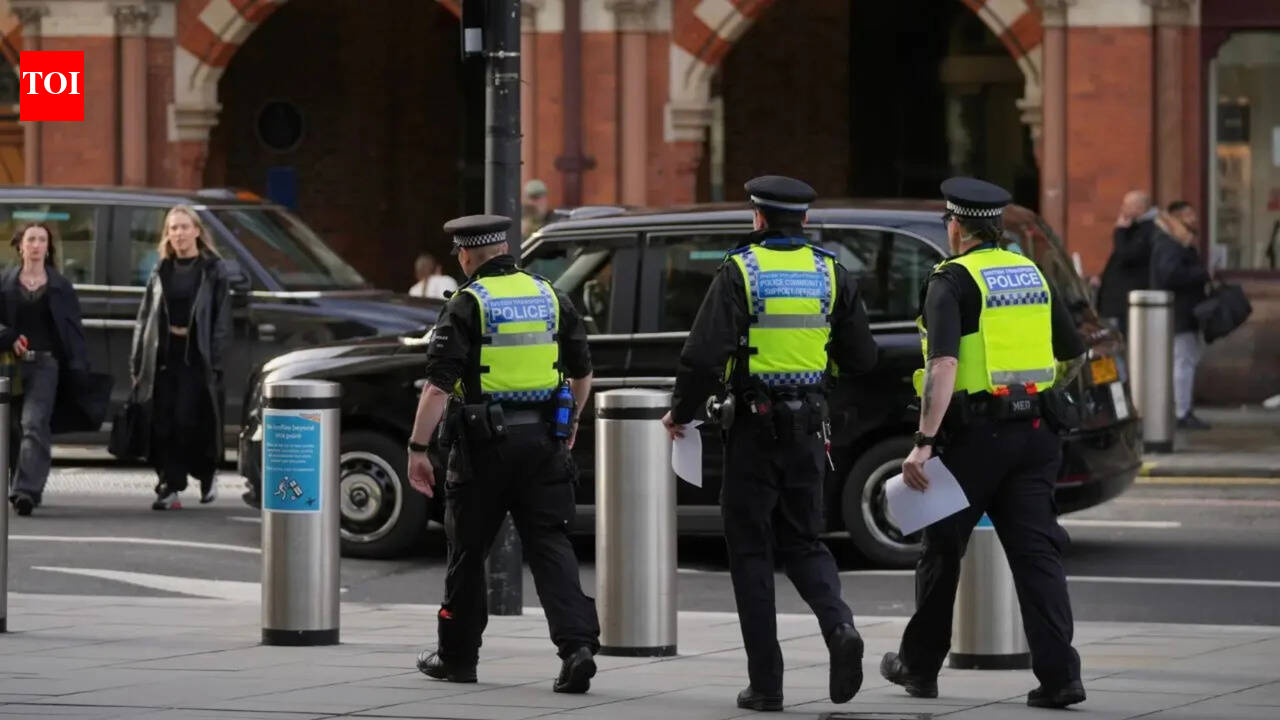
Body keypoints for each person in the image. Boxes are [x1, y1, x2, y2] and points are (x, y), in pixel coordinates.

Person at [660, 176, 878, 712]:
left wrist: (680, 413)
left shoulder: (741, 271)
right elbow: (864, 359)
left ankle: (767, 684)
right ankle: (839, 625)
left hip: (754, 430)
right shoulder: (831, 273)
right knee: (805, 542)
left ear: (758, 218)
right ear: (802, 220)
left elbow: (703, 355)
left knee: (752, 551)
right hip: (809, 430)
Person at [879, 177, 1087, 709]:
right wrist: (1036, 395)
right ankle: (1061, 676)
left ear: (957, 226)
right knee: (1037, 554)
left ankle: (920, 669)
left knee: (943, 551)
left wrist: (923, 441)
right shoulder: (1031, 272)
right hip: (1036, 434)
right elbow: (1073, 350)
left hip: (974, 439)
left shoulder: (952, 279)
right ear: (995, 226)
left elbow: (943, 362)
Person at [406, 214, 601, 694]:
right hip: (544, 446)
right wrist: (570, 420)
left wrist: (417, 449)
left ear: (468, 254)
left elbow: (437, 387)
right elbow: (582, 373)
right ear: (506, 248)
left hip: (482, 448)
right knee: (550, 544)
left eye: (459, 254)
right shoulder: (549, 294)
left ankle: (457, 658)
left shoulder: (468, 303)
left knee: (468, 552)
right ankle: (576, 648)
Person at [131, 205, 232, 510]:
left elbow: (221, 319)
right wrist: (137, 360)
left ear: (197, 231)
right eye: (172, 228)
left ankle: (206, 472)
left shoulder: (213, 270)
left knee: (189, 420)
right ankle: (170, 485)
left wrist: (214, 361)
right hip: (164, 356)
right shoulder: (160, 270)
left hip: (196, 356)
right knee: (162, 422)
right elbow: (145, 316)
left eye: (184, 227)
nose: (178, 233)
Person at [3, 223, 91, 516]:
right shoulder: (5, 282)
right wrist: (8, 338)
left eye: (42, 240)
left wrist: (79, 368)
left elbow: (73, 329)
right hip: (9, 364)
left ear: (48, 247)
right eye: (31, 239)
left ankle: (25, 491)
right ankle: (20, 483)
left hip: (45, 364)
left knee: (34, 423)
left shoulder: (60, 286)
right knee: (14, 429)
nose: (37, 245)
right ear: (21, 246)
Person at [1151, 201, 1211, 430]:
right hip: (1179, 312)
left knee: (1185, 360)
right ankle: (1181, 411)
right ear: (1175, 219)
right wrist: (1202, 273)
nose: (1193, 219)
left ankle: (1181, 409)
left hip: (1183, 312)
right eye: (1187, 215)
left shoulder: (1179, 244)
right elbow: (1170, 276)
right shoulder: (1170, 244)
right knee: (1182, 362)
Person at [1097, 190, 1159, 335]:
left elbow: (1127, 255)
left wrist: (1119, 231)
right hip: (1119, 301)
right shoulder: (1134, 227)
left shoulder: (1148, 229)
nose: (1122, 209)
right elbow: (1117, 258)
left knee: (1124, 345)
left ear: (1139, 208)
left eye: (1126, 205)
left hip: (1128, 301)